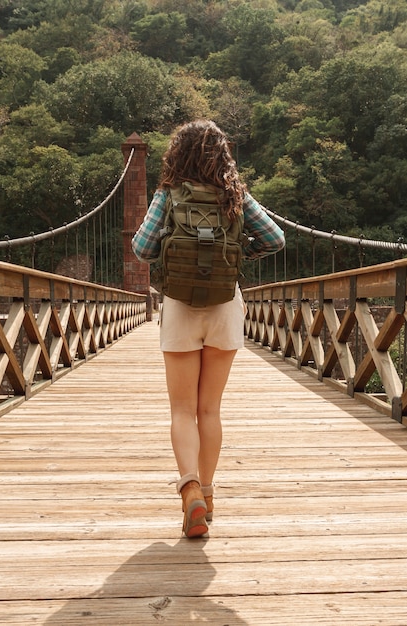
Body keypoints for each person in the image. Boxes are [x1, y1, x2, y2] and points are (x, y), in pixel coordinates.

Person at [132, 120, 285, 538]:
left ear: (176, 155)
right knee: (209, 410)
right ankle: (210, 494)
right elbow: (276, 238)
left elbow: (142, 248)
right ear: (224, 155)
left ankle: (190, 491)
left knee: (182, 410)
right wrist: (237, 257)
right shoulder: (236, 195)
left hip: (180, 306)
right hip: (224, 305)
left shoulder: (167, 194)